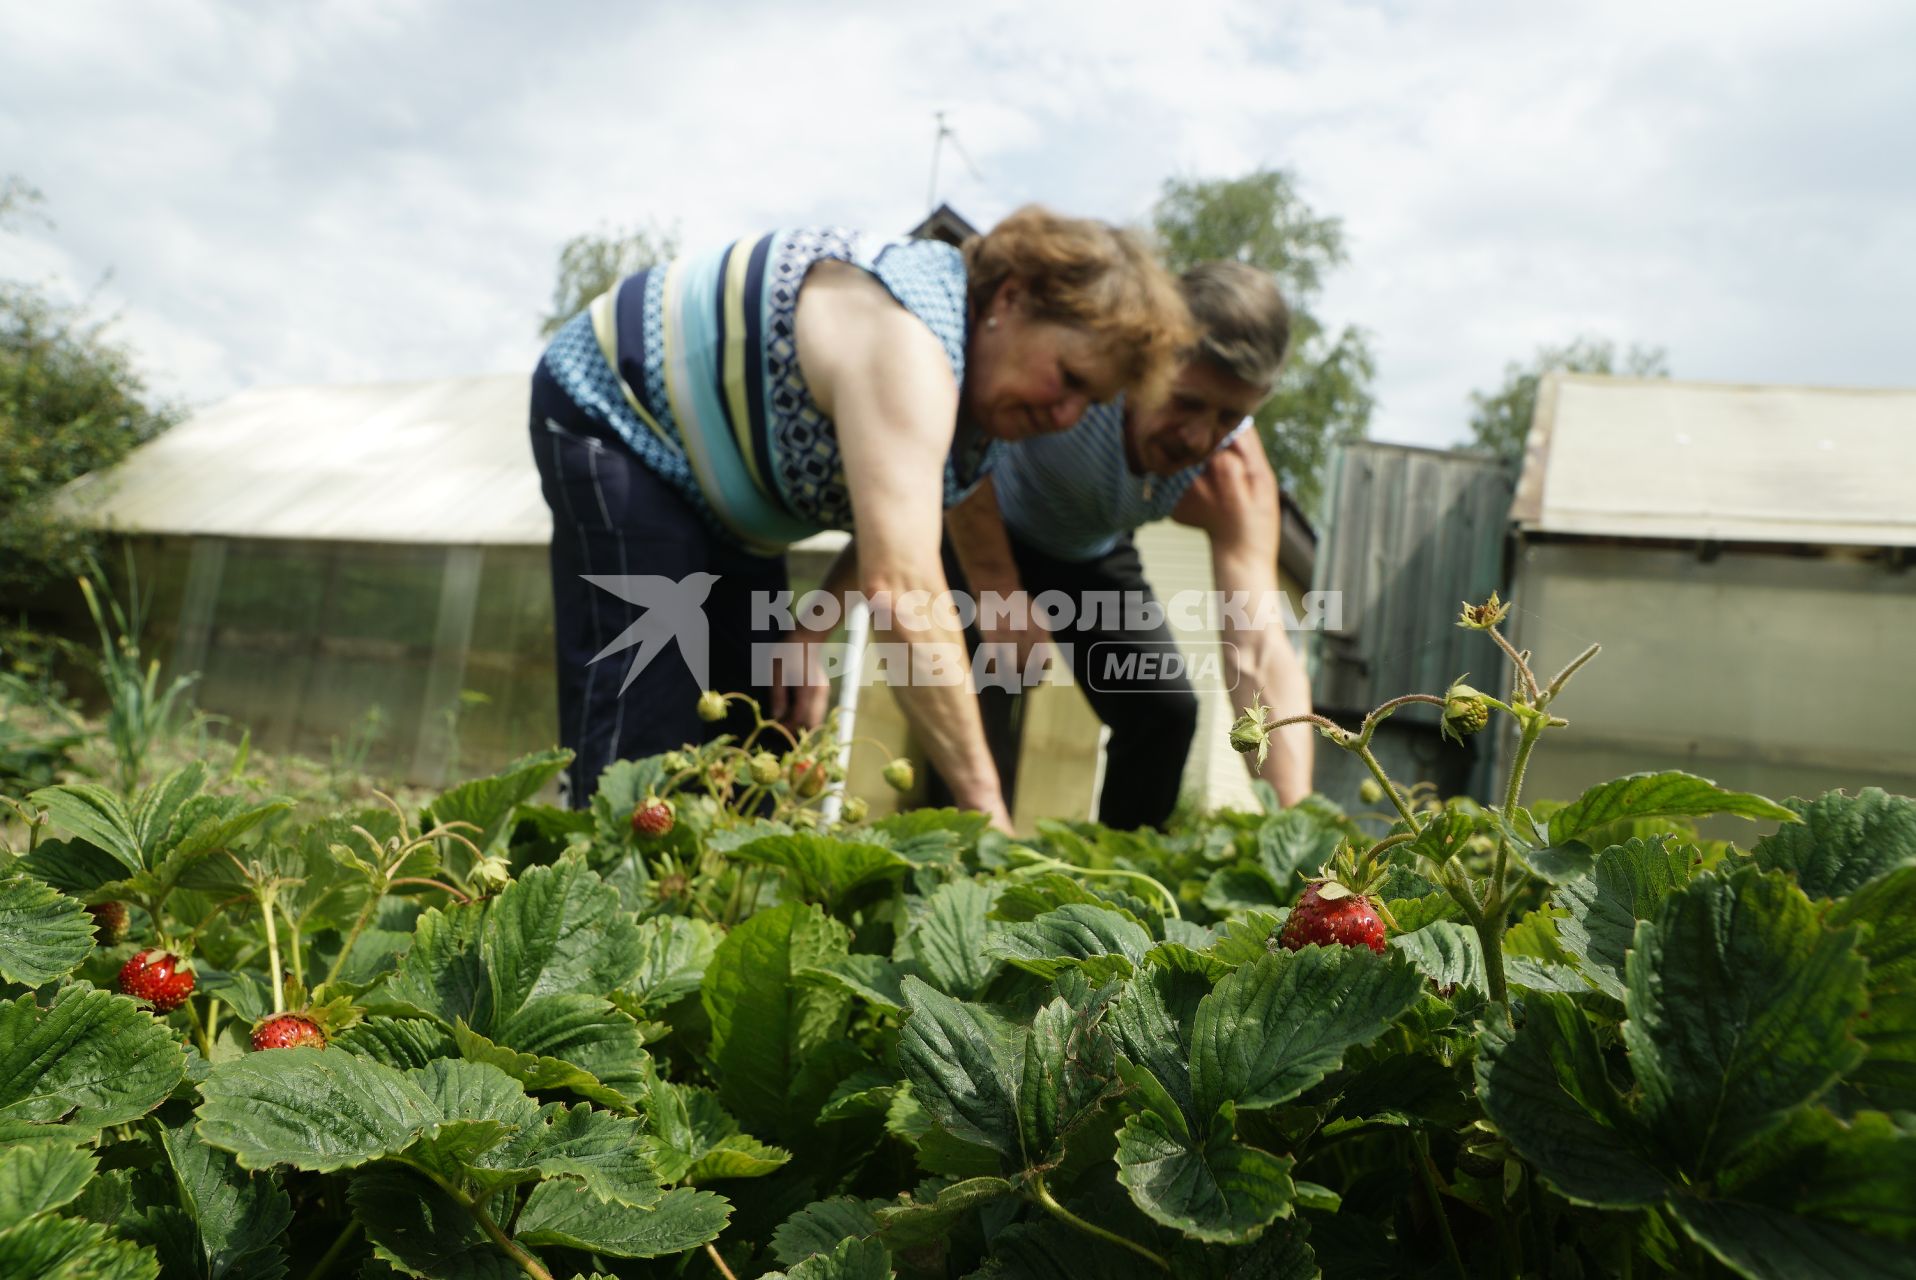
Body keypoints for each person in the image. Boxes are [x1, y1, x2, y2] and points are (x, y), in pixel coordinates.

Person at [528, 208, 1193, 829]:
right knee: (647, 737)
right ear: (1012, 298)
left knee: (753, 727)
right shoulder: (910, 343)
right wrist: (987, 813)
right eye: (1069, 378)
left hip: (728, 501)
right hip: (618, 415)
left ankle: (700, 927)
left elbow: (892, 522)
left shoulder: (977, 407)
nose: (1067, 417)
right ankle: (605, 914)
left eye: (1093, 402)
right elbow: (900, 587)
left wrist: (810, 631)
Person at [782, 260, 1313, 828]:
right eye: (1185, 402)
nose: (1198, 437)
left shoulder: (1234, 475)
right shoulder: (1083, 375)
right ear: (1150, 356)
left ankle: (1113, 893)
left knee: (1165, 711)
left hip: (1088, 553)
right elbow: (952, 445)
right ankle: (959, 872)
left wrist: (1300, 828)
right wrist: (995, 586)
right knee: (980, 695)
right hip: (976, 516)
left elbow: (1259, 646)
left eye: (1229, 416)